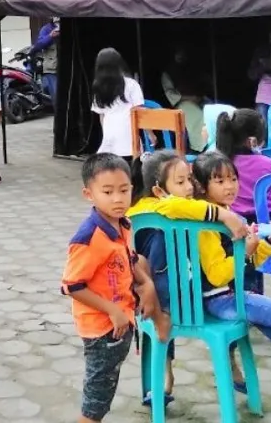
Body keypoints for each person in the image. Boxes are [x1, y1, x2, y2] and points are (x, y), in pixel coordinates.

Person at [192, 151, 271, 422]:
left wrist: (268, 243)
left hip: (232, 295)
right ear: (202, 186)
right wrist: (244, 253)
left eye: (233, 179)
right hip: (220, 299)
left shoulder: (230, 217)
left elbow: (249, 263)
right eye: (220, 181)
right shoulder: (206, 224)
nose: (229, 186)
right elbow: (218, 275)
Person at [127, 150, 249, 407]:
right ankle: (166, 371)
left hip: (187, 293)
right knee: (160, 242)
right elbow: (174, 206)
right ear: (158, 191)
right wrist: (225, 215)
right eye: (180, 182)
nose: (190, 188)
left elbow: (183, 206)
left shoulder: (182, 206)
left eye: (189, 180)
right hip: (157, 298)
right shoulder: (149, 209)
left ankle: (218, 361)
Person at [61, 153, 160, 423]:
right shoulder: (89, 238)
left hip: (120, 322)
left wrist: (146, 283)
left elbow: (129, 259)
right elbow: (72, 286)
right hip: (101, 328)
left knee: (103, 392)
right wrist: (113, 310)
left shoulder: (123, 224)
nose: (117, 199)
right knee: (95, 403)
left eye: (124, 190)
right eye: (108, 192)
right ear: (89, 194)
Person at [215, 109, 271, 294]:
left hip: (233, 227)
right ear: (253, 141)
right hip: (269, 226)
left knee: (247, 269)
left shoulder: (222, 164)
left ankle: (248, 294)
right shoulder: (270, 164)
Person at [90, 48, 144, 157]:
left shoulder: (98, 87)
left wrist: (106, 135)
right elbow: (140, 113)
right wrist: (150, 134)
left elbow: (101, 116)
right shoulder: (132, 84)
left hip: (109, 136)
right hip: (129, 136)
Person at [161, 44, 209, 151]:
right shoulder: (167, 73)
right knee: (198, 115)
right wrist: (191, 98)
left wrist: (199, 96)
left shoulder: (190, 69)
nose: (181, 56)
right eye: (178, 53)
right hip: (181, 103)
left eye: (182, 53)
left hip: (198, 99)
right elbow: (171, 96)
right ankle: (199, 147)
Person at [33, 17, 60, 106]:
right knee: (56, 95)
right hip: (51, 68)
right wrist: (50, 36)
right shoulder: (46, 29)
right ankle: (58, 113)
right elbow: (38, 45)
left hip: (67, 67)